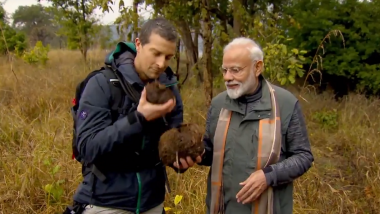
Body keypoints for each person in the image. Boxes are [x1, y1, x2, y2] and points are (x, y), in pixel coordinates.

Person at [174, 37, 314, 214]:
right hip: (222, 208)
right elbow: (211, 152)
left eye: (235, 70)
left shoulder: (285, 104)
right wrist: (195, 152)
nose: (227, 77)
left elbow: (303, 156)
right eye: (224, 70)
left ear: (257, 67)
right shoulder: (218, 105)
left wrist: (269, 176)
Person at [69, 17, 193, 214]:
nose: (161, 64)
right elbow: (88, 148)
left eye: (168, 57)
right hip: (106, 203)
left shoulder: (170, 89)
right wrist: (138, 118)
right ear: (138, 44)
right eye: (156, 53)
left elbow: (171, 142)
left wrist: (180, 159)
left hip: (152, 202)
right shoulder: (102, 84)